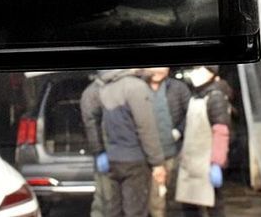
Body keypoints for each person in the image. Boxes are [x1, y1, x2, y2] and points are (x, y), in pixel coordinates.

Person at [89, 68, 167, 217]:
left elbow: (100, 124)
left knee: (115, 210)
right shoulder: (135, 87)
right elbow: (146, 127)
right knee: (135, 210)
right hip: (135, 160)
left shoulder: (106, 88)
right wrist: (157, 162)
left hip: (113, 159)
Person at [175, 66, 232, 217]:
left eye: (199, 70)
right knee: (189, 205)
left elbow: (221, 132)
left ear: (210, 74)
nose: (194, 73)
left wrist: (217, 163)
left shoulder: (216, 97)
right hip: (191, 163)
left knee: (213, 205)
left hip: (207, 164)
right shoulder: (196, 96)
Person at [142, 67, 192, 217]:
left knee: (170, 194)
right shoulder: (137, 87)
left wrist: (179, 131)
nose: (157, 70)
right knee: (150, 197)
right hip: (145, 154)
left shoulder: (178, 88)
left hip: (172, 152)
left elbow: (191, 113)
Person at [81, 72, 114, 217]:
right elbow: (91, 125)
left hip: (110, 150)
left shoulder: (102, 89)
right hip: (105, 150)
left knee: (104, 195)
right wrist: (99, 151)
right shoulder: (93, 92)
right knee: (106, 196)